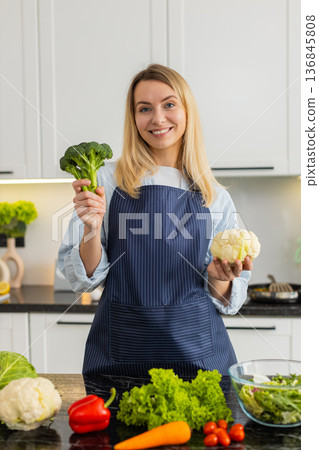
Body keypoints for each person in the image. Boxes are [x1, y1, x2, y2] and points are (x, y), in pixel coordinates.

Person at [58, 63, 253, 378]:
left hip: (199, 356)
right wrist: (91, 229)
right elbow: (86, 280)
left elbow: (223, 298)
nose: (158, 118)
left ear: (187, 111)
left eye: (169, 104)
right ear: (133, 119)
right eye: (144, 108)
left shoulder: (213, 196)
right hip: (122, 353)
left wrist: (220, 277)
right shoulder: (106, 181)